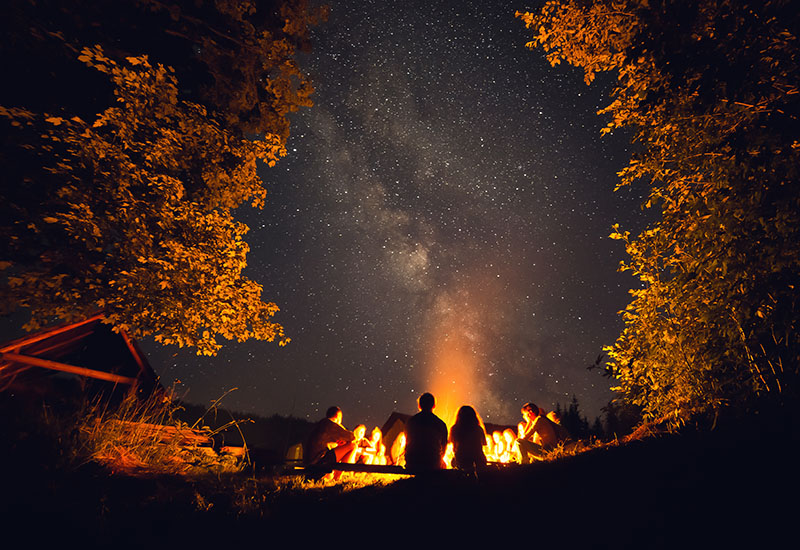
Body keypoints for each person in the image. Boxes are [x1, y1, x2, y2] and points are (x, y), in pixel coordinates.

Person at [403, 392, 448, 472]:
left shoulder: (411, 421)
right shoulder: (440, 423)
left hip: (412, 462)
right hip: (432, 463)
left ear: (419, 406)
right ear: (434, 406)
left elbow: (407, 442)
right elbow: (444, 446)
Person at [448, 405, 487, 473]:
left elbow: (452, 445)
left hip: (461, 460)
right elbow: (484, 444)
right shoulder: (479, 429)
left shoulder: (454, 429)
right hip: (479, 461)